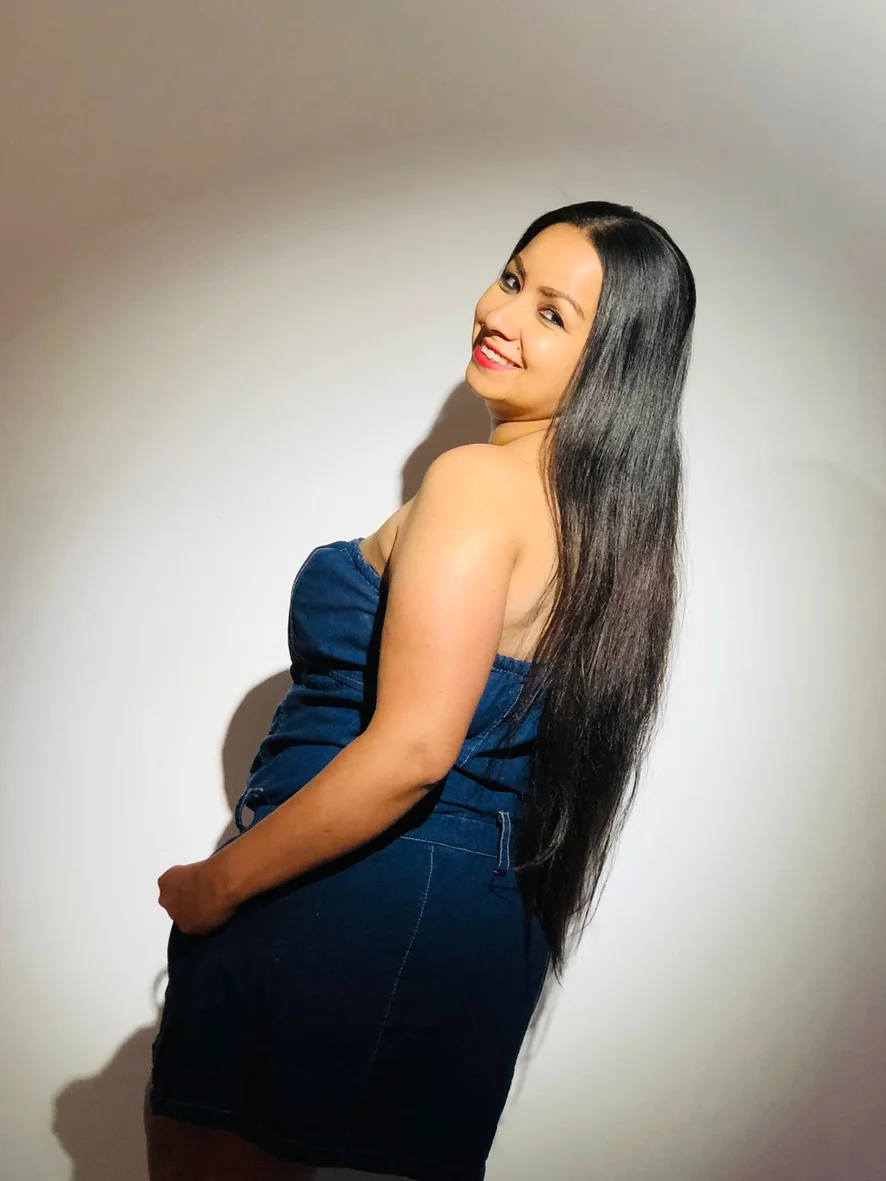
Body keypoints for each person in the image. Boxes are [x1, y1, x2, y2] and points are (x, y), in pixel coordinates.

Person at [144, 200, 696, 1181]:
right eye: (513, 278)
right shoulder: (612, 538)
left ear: (612, 363)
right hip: (484, 925)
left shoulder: (478, 484)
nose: (502, 314)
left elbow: (412, 750)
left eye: (553, 313)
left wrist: (211, 887)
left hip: (341, 901)